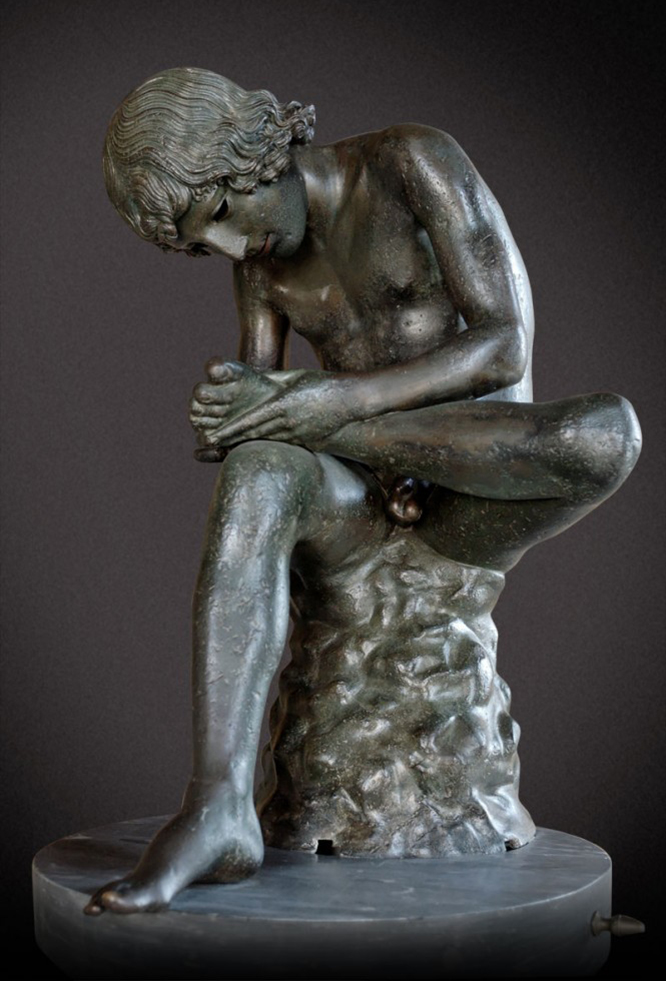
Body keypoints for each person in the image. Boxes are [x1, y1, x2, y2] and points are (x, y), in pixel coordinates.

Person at [85, 68, 641, 914]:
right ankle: (217, 806)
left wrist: (333, 407)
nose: (231, 248)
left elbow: (504, 346)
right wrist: (234, 413)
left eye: (224, 213)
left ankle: (345, 434)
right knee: (262, 467)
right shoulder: (261, 264)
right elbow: (268, 415)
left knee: (605, 434)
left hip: (471, 486)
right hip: (366, 504)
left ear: (253, 151)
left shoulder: (411, 163)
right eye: (204, 245)